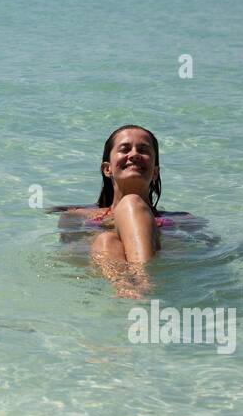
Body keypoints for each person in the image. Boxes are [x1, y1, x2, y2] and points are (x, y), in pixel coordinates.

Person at [55, 124, 181, 293]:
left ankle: (138, 286)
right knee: (106, 241)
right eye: (125, 149)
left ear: (156, 172)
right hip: (107, 268)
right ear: (107, 169)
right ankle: (137, 289)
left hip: (150, 267)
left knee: (131, 204)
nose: (134, 154)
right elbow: (72, 255)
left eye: (143, 150)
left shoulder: (181, 220)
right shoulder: (75, 216)